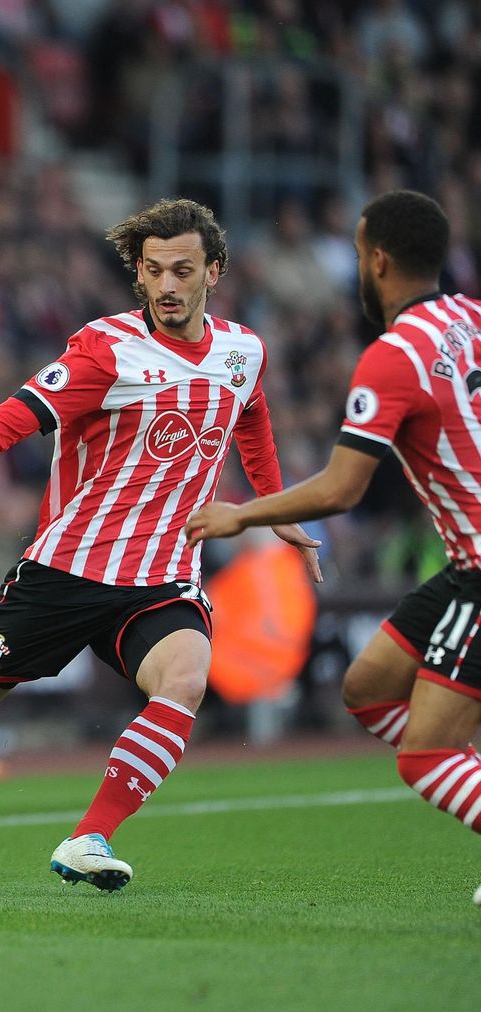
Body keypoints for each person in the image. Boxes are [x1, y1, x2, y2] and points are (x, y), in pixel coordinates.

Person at [0, 198, 322, 890]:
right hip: (67, 569)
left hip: (163, 578)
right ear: (137, 277)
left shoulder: (243, 352)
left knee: (186, 676)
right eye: (153, 271)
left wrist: (272, 505)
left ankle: (89, 838)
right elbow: (7, 421)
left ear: (215, 271)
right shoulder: (106, 350)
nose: (167, 285)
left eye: (182, 270)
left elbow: (253, 420)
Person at [186, 189, 481, 907]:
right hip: (464, 565)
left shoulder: (393, 356)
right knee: (368, 688)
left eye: (356, 251)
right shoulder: (472, 317)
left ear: (377, 260)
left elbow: (343, 489)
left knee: (425, 755)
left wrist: (243, 515)